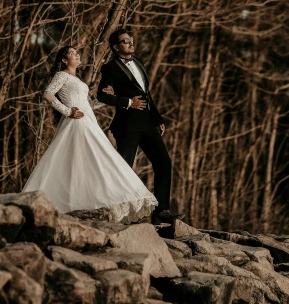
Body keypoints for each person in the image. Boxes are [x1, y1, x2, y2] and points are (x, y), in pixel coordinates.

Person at [22, 45, 157, 223]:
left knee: (89, 162)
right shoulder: (62, 75)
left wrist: (106, 99)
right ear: (64, 60)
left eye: (77, 53)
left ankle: (88, 203)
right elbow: (47, 94)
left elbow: (87, 104)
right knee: (97, 158)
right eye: (72, 53)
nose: (77, 55)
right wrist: (67, 111)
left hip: (88, 121)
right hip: (76, 122)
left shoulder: (76, 79)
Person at [96, 29, 178, 225]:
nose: (130, 43)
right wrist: (127, 102)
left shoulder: (139, 63)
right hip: (127, 126)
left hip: (148, 123)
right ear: (116, 47)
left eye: (130, 39)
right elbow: (102, 95)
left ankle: (161, 211)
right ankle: (115, 210)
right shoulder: (110, 68)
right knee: (124, 169)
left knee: (164, 162)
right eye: (125, 41)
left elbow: (146, 94)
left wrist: (158, 118)